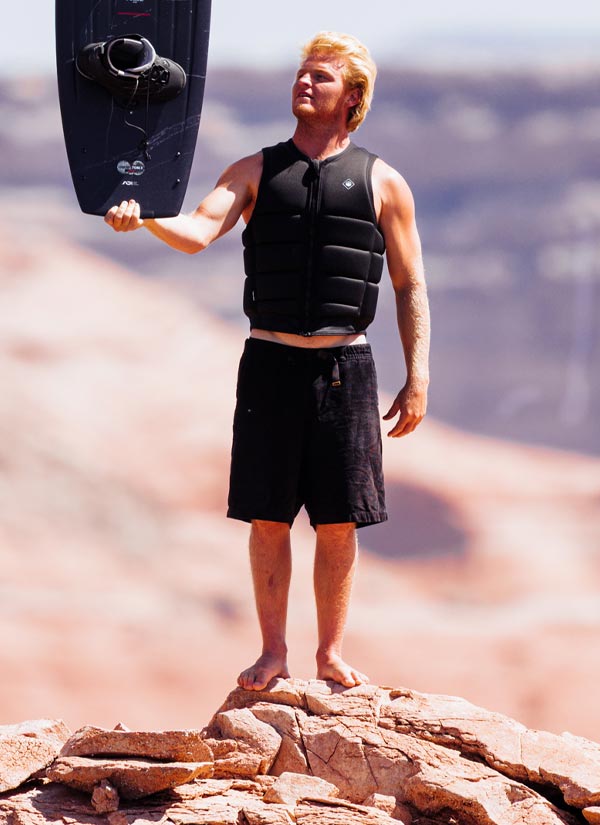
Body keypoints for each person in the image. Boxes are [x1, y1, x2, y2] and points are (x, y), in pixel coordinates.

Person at [105, 31, 430, 692]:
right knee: (268, 516)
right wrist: (147, 219)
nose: (304, 83)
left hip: (345, 370)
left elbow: (409, 284)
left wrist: (417, 375)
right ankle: (273, 651)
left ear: (353, 96)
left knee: (338, 521)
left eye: (321, 77)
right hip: (270, 366)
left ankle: (330, 653)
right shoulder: (254, 169)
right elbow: (199, 230)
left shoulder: (384, 182)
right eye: (301, 74)